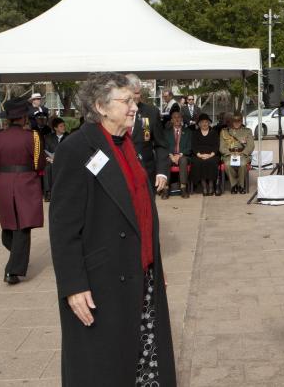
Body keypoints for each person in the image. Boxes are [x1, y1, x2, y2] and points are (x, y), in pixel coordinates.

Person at [49, 73, 177, 386]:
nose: (135, 108)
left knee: (143, 359)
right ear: (101, 107)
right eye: (126, 101)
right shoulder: (77, 149)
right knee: (104, 365)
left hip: (138, 272)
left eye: (135, 101)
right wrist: (72, 285)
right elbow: (63, 226)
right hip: (101, 281)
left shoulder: (126, 144)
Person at [0, 98, 45, 285]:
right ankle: (12, 270)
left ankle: (16, 259)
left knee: (10, 224)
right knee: (23, 226)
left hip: (3, 182)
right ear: (22, 117)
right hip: (25, 180)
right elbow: (39, 164)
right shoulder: (33, 136)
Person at [125, 74, 169, 197]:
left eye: (138, 92)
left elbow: (161, 144)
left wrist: (162, 172)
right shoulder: (114, 112)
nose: (136, 96)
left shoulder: (151, 112)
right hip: (122, 174)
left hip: (146, 173)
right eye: (132, 92)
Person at [219, 112, 254, 194]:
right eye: (234, 121)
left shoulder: (247, 131)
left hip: (242, 154)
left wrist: (243, 153)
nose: (237, 123)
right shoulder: (224, 131)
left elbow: (251, 145)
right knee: (227, 164)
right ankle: (234, 185)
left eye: (239, 121)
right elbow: (222, 147)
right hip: (229, 154)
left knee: (242, 164)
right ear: (231, 121)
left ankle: (241, 186)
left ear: (242, 121)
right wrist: (230, 154)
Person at [162, 110, 191, 199]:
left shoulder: (188, 132)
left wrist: (180, 155)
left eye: (179, 117)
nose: (177, 119)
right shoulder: (165, 132)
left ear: (181, 119)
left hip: (183, 155)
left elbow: (190, 147)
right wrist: (170, 155)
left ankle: (183, 188)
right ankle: (165, 188)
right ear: (171, 120)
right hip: (170, 155)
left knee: (183, 160)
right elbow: (163, 146)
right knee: (165, 160)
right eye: (175, 117)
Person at [190, 113, 220, 196]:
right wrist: (200, 155)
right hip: (199, 155)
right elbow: (193, 146)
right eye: (202, 122)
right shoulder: (195, 133)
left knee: (211, 162)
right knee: (198, 162)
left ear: (209, 123)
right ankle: (204, 186)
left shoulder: (213, 132)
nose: (204, 124)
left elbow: (216, 145)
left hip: (212, 155)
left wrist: (211, 155)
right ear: (199, 124)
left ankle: (210, 185)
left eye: (206, 122)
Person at [42, 117, 68, 202]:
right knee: (47, 168)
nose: (63, 127)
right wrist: (50, 159)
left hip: (65, 161)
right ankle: (48, 192)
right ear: (55, 128)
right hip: (52, 161)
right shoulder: (48, 138)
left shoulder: (69, 137)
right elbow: (45, 151)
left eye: (64, 125)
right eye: (61, 126)